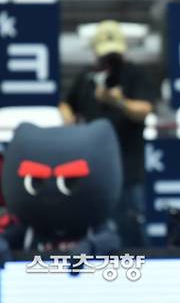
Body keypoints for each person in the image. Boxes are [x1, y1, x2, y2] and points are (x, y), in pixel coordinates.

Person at [59, 20, 158, 247]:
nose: (110, 62)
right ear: (95, 53)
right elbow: (66, 104)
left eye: (114, 56)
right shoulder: (87, 78)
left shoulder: (134, 75)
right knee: (98, 227)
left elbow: (144, 110)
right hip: (95, 169)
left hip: (128, 168)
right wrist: (69, 119)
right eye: (105, 57)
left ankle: (139, 269)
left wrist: (118, 101)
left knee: (133, 223)